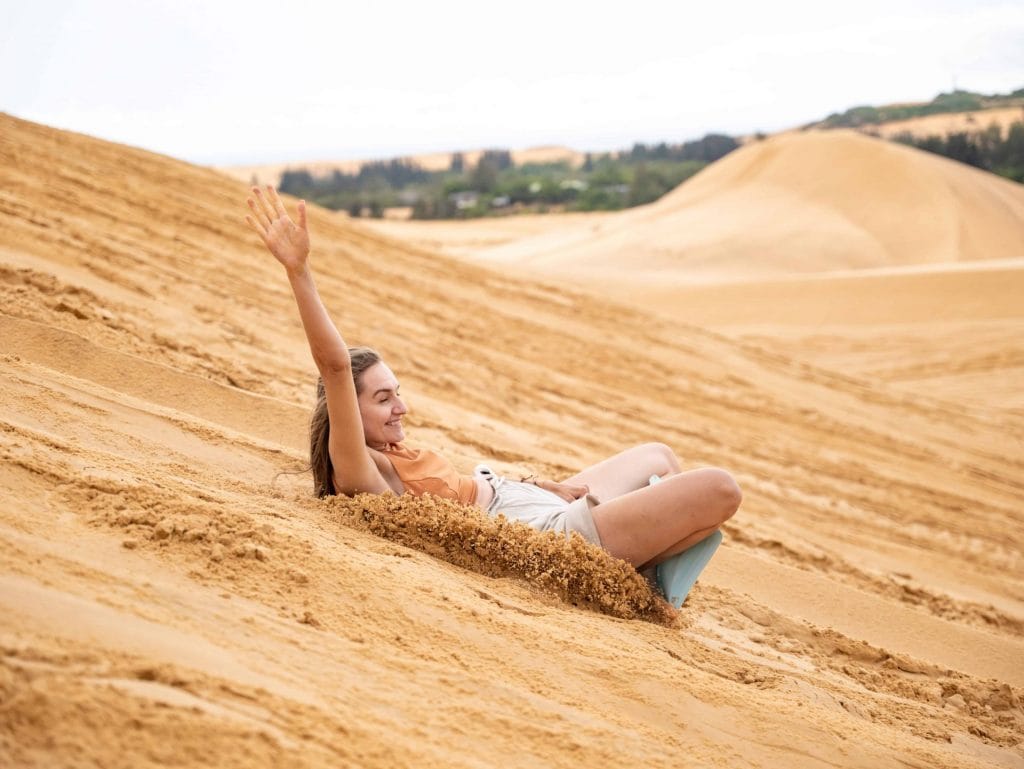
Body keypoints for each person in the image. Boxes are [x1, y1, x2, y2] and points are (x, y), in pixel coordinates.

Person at [244, 186, 740, 579]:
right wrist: (299, 271)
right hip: (548, 534)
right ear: (348, 411)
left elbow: (467, 490)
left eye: (397, 392)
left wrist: (536, 483)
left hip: (531, 501)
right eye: (382, 398)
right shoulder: (359, 472)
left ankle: (646, 558)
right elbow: (333, 365)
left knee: (659, 457)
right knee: (720, 489)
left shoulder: (397, 454)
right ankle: (638, 565)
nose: (401, 408)